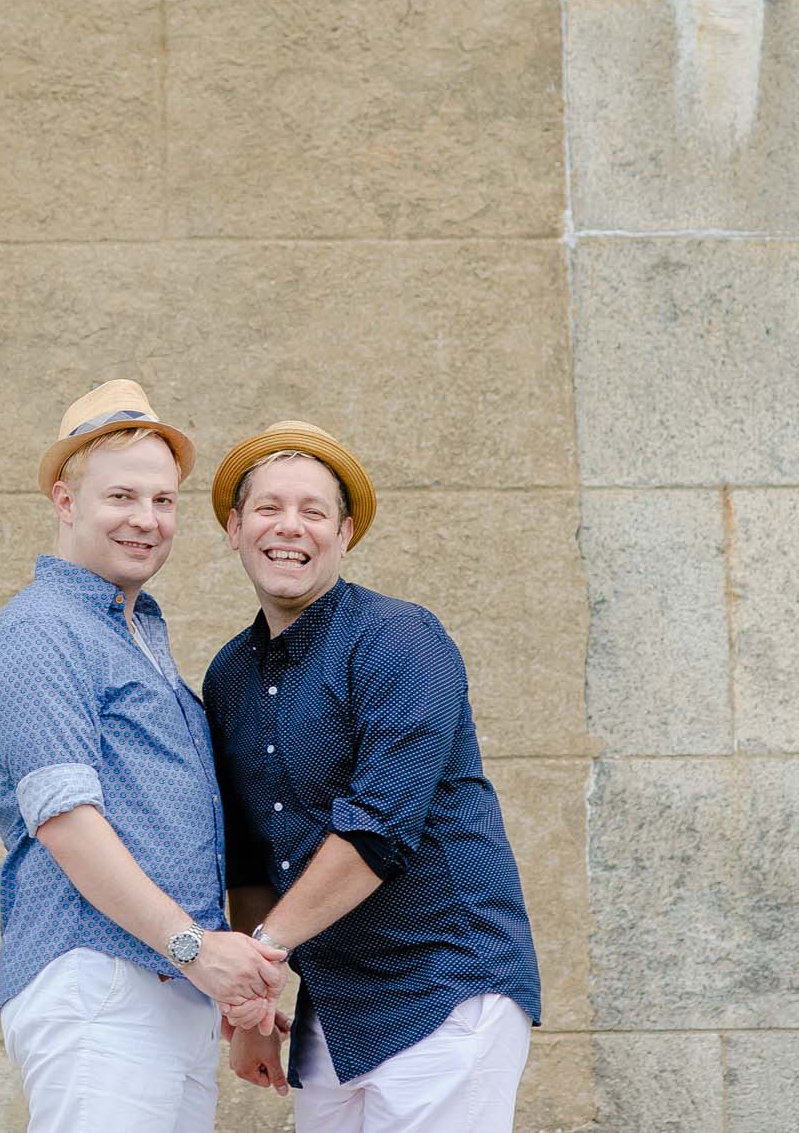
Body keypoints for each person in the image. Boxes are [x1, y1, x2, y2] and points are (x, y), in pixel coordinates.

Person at [203, 420, 542, 1131]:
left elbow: (378, 828)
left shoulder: (399, 637)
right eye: (267, 508)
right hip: (339, 1007)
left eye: (313, 511)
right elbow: (247, 855)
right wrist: (256, 1008)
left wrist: (256, 959)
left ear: (345, 532)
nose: (288, 527)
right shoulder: (229, 675)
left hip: (445, 989)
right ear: (235, 527)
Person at [0, 380, 288, 1133]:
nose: (146, 520)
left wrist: (221, 975)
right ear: (64, 499)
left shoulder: (137, 629)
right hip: (101, 987)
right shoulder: (40, 630)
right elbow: (67, 823)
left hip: (166, 989)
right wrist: (194, 948)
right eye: (122, 496)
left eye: (164, 501)